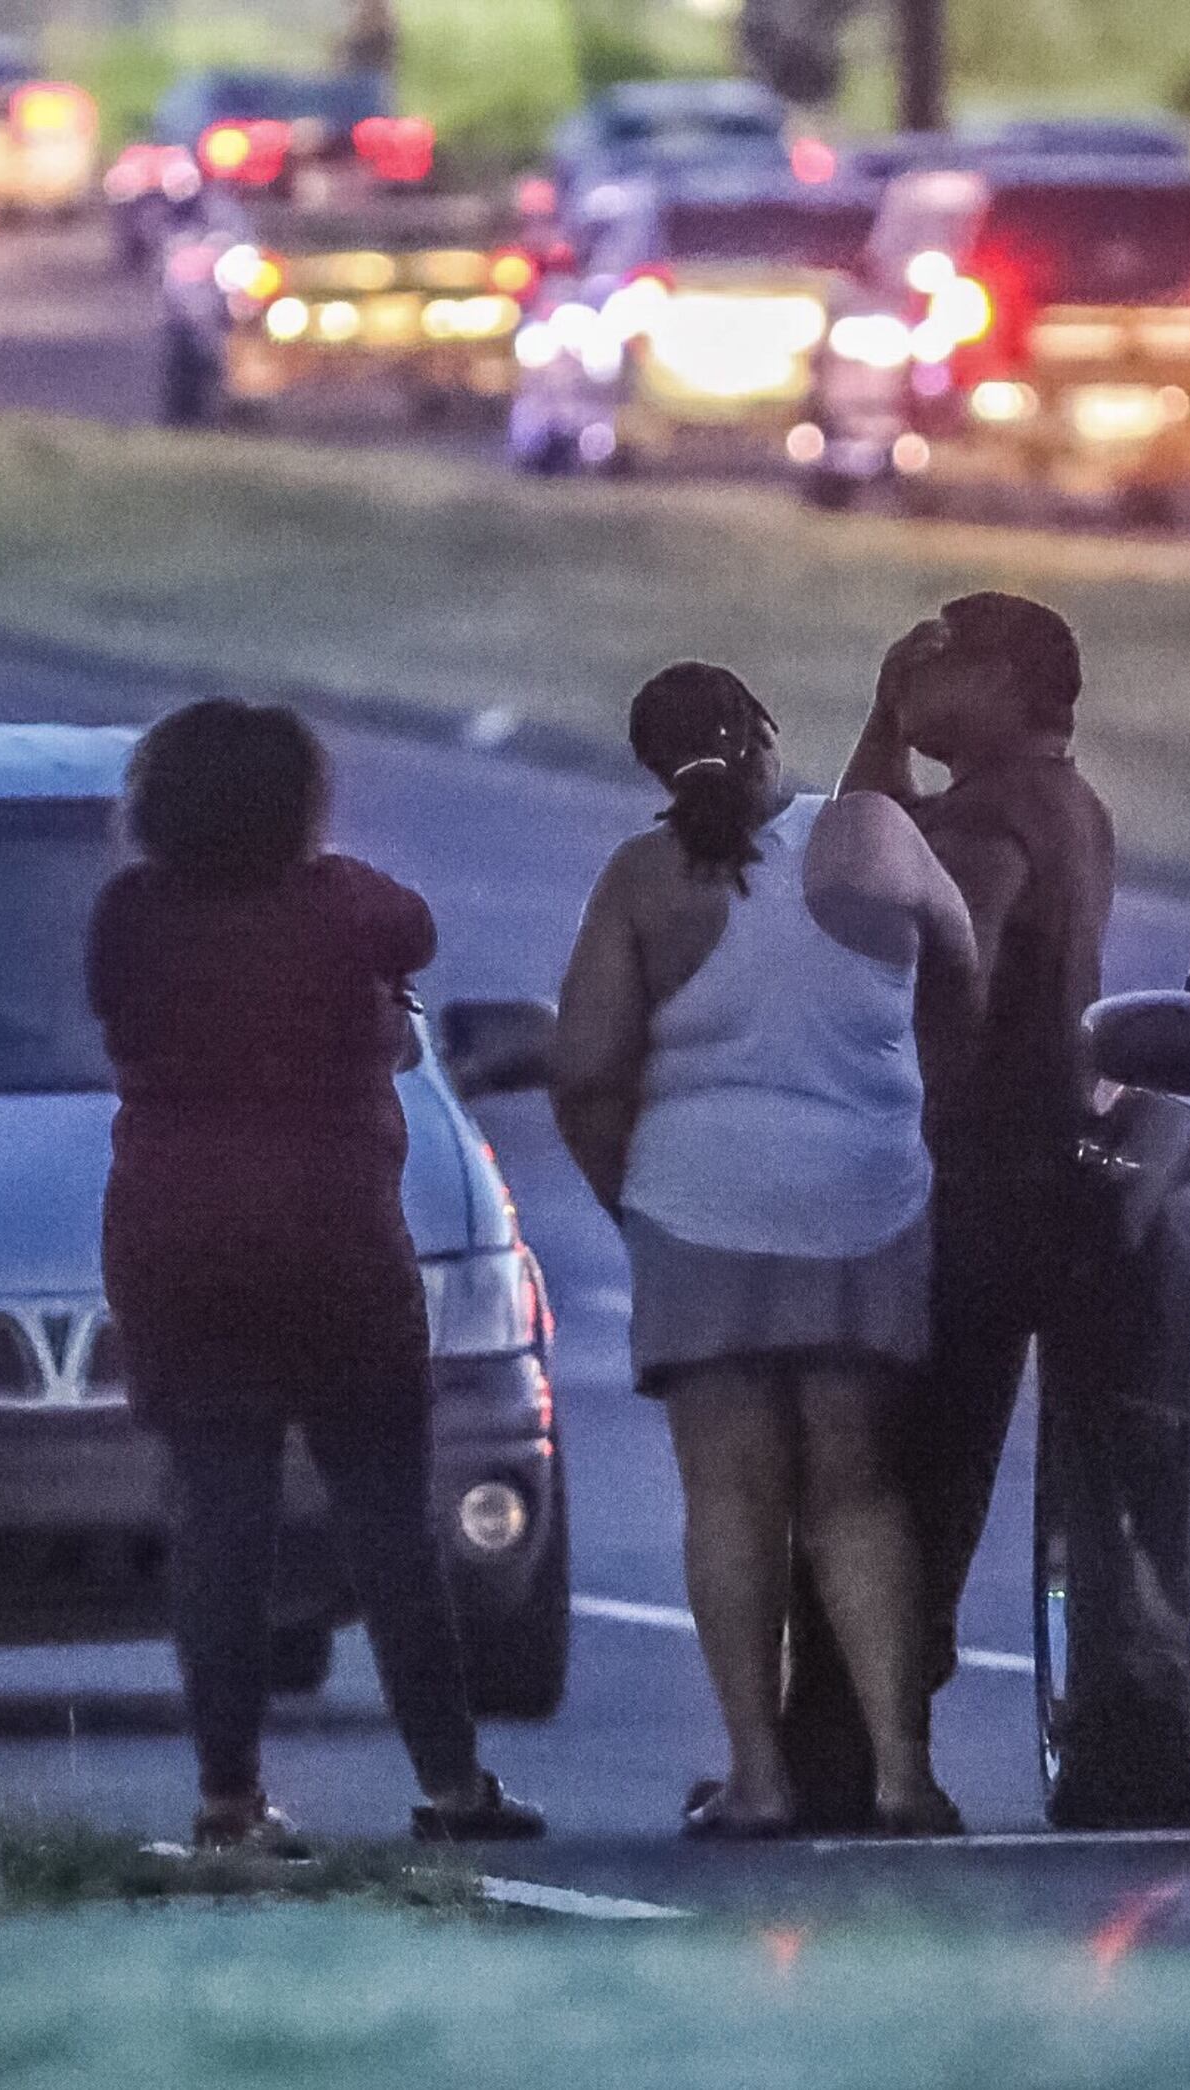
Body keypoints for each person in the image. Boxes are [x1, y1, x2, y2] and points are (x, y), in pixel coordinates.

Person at [88, 698, 544, 1851]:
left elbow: (119, 1010)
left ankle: (228, 1796)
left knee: (221, 1519)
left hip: (177, 1239)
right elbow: (418, 927)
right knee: (389, 1519)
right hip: (334, 1243)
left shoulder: (131, 916)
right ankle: (450, 1780)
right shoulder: (343, 907)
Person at [551, 663, 980, 1839]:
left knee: (731, 1494)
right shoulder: (875, 839)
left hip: (697, 1205)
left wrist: (630, 1191)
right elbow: (963, 976)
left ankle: (758, 1775)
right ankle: (901, 1771)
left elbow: (585, 1065)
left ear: (654, 767)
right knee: (858, 1489)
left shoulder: (639, 881)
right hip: (867, 1201)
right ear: (767, 735)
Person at [782, 591, 1115, 1827]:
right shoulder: (1073, 807)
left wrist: (879, 722)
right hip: (1019, 1190)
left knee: (868, 1480)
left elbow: (864, 902)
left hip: (940, 1190)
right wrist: (887, 718)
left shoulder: (989, 821)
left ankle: (843, 1758)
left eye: (941, 660)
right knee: (942, 1479)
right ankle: (871, 1752)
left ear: (1011, 680)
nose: (917, 681)